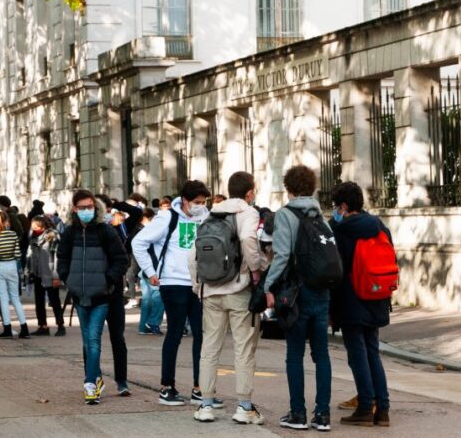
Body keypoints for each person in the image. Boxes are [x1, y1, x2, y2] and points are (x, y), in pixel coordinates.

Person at [192, 172, 268, 425]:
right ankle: (244, 407)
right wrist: (255, 268)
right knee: (244, 349)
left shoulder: (211, 213)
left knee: (209, 348)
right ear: (249, 192)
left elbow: (193, 254)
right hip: (238, 290)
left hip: (210, 290)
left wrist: (197, 285)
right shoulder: (248, 213)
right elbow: (248, 239)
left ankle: (205, 405)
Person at [264, 165, 332, 431]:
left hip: (296, 294)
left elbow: (281, 256)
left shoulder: (286, 214)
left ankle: (298, 414)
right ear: (312, 186)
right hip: (322, 291)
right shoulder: (320, 215)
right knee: (322, 354)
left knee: (294, 353)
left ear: (288, 188)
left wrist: (269, 285)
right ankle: (323, 415)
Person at [132, 180, 210, 406]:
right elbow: (139, 242)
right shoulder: (168, 217)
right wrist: (150, 271)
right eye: (196, 202)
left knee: (202, 336)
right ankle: (167, 387)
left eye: (203, 202)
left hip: (199, 284)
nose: (200, 206)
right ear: (185, 200)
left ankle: (199, 388)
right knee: (175, 333)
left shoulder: (205, 217)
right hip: (173, 282)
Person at [56, 190, 128, 404]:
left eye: (90, 207)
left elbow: (121, 259)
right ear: (74, 209)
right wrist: (68, 279)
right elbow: (62, 258)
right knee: (88, 341)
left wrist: (108, 281)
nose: (86, 211)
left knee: (107, 337)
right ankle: (94, 378)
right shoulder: (70, 233)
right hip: (80, 294)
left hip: (105, 295)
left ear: (95, 208)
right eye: (82, 207)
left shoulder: (106, 231)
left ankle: (104, 382)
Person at [330, 182, 392, 428]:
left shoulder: (340, 231)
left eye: (336, 207)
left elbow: (336, 272)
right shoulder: (379, 226)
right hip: (377, 297)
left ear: (344, 206)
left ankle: (366, 407)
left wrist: (332, 310)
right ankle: (383, 408)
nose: (335, 211)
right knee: (372, 352)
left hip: (351, 300)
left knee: (357, 355)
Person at [96, 193, 144, 396]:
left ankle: (121, 380)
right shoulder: (87, 231)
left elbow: (137, 212)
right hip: (94, 289)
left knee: (118, 337)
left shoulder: (119, 228)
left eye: (105, 209)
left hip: (114, 288)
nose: (103, 214)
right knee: (92, 338)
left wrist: (118, 203)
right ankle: (93, 378)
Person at [0, 211, 29, 339]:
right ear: (6, 221)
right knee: (15, 298)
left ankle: (7, 328)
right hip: (12, 266)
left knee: (3, 299)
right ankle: (24, 328)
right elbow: (17, 254)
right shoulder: (13, 234)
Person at [26, 216, 65, 336]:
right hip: (37, 273)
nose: (34, 228)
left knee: (54, 300)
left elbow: (57, 256)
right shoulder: (33, 236)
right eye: (32, 226)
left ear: (43, 226)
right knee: (39, 301)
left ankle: (60, 325)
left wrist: (56, 276)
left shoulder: (52, 236)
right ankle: (43, 326)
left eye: (36, 226)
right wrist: (29, 272)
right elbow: (30, 254)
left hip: (50, 272)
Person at [131, 208, 164, 335]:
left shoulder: (143, 231)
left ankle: (143, 326)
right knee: (158, 297)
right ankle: (152, 323)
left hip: (145, 270)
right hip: (153, 271)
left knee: (147, 300)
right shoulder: (152, 233)